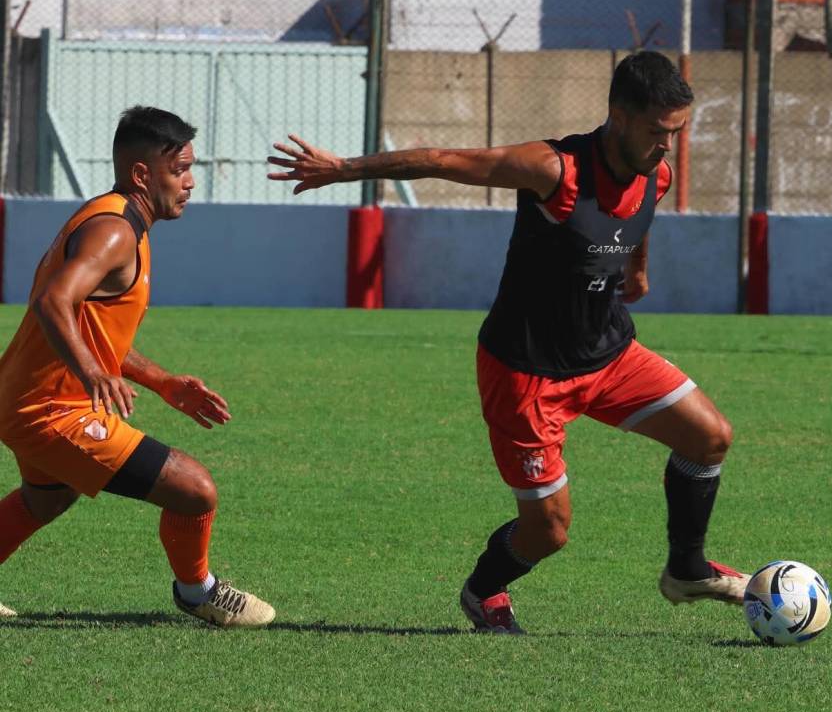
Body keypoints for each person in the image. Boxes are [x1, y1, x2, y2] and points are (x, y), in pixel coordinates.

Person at [268, 51, 748, 634]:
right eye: (657, 131)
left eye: (676, 132)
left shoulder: (657, 170)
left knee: (710, 437)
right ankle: (483, 589)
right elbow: (451, 160)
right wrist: (346, 168)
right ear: (618, 117)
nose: (667, 145)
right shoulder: (555, 169)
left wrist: (637, 271)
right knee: (549, 531)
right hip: (527, 373)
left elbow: (639, 215)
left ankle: (687, 569)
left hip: (609, 355)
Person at [0, 106, 274, 627]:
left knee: (45, 500)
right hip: (50, 409)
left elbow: (94, 328)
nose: (191, 182)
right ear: (142, 174)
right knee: (196, 490)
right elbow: (54, 303)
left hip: (23, 397)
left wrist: (162, 381)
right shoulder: (115, 232)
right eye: (180, 170)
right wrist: (92, 373)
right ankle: (198, 592)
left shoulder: (118, 218)